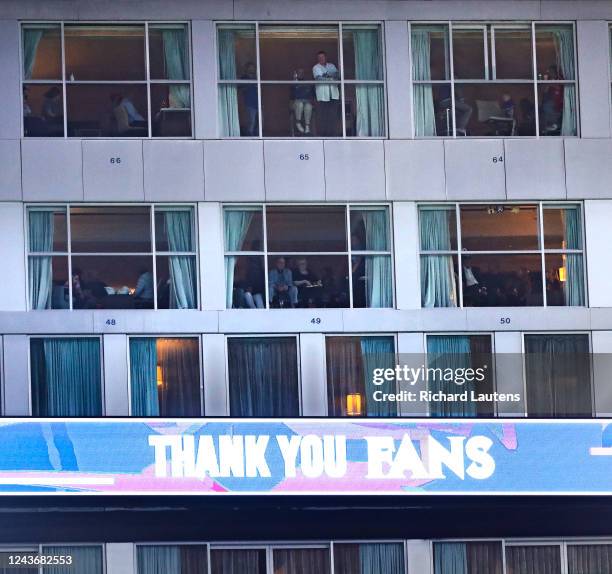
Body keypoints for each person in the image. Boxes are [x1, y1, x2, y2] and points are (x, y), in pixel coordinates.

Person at [312, 51, 340, 136]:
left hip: (333, 95)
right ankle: (323, 135)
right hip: (322, 96)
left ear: (326, 57)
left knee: (333, 116)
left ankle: (333, 135)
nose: (321, 59)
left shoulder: (331, 66)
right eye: (319, 57)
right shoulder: (316, 67)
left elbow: (337, 75)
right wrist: (330, 77)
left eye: (322, 57)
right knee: (322, 117)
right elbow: (319, 78)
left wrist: (326, 76)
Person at [291, 68, 314, 135]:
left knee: (309, 106)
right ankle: (298, 122)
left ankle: (307, 126)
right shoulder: (294, 82)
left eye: (302, 73)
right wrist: (295, 79)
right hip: (296, 102)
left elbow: (310, 94)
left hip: (306, 101)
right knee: (300, 104)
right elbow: (292, 94)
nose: (301, 74)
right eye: (299, 73)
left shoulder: (306, 82)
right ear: (297, 74)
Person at [240, 62, 259, 136]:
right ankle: (250, 137)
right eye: (250, 68)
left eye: (253, 68)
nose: (252, 69)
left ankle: (256, 135)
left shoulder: (256, 78)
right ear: (247, 69)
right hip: (249, 103)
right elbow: (240, 89)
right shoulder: (244, 78)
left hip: (257, 102)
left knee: (259, 121)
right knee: (251, 121)